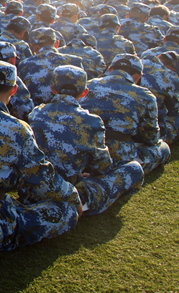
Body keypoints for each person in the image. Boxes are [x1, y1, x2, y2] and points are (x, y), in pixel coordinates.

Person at [0, 61, 82, 251]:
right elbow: (41, 179)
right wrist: (72, 194)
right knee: (66, 211)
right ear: (14, 89)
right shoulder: (17, 128)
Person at [29, 65, 144, 215]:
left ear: (52, 88)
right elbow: (102, 167)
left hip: (33, 189)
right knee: (134, 168)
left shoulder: (35, 113)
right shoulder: (91, 121)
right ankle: (79, 204)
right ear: (84, 92)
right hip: (68, 192)